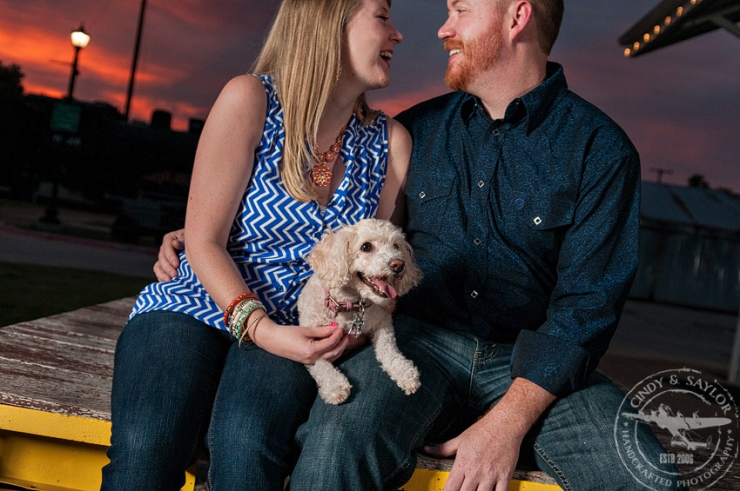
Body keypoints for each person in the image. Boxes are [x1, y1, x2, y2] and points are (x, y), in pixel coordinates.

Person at [157, 0, 680, 490]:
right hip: (414, 344)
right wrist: (202, 234)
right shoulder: (414, 133)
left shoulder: (601, 151)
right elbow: (344, 234)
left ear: (517, 16)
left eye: (460, 10)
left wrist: (505, 425)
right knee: (336, 441)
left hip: (534, 367)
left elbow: (587, 309)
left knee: (648, 477)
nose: (442, 28)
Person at [100, 0, 408, 489]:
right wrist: (259, 328)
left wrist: (349, 327)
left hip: (301, 327)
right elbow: (203, 241)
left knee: (247, 449)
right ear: (328, 23)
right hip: (196, 301)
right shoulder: (250, 99)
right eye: (382, 16)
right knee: (144, 454)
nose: (397, 35)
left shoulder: (389, 143)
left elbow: (378, 272)